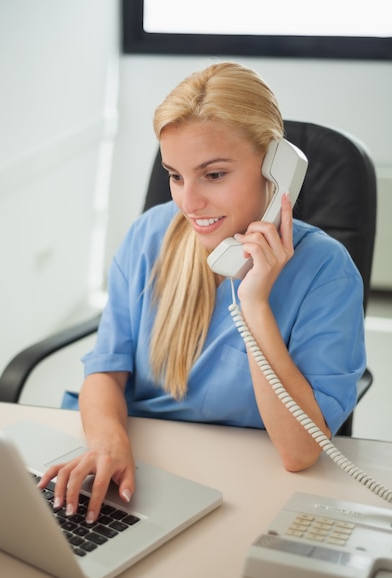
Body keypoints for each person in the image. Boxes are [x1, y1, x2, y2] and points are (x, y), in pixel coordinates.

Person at [39, 62, 366, 523]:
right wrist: (107, 443)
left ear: (276, 170)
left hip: (244, 487)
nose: (188, 203)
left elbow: (298, 453)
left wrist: (253, 303)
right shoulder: (149, 236)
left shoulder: (326, 272)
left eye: (213, 175)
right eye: (175, 175)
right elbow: (106, 371)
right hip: (135, 470)